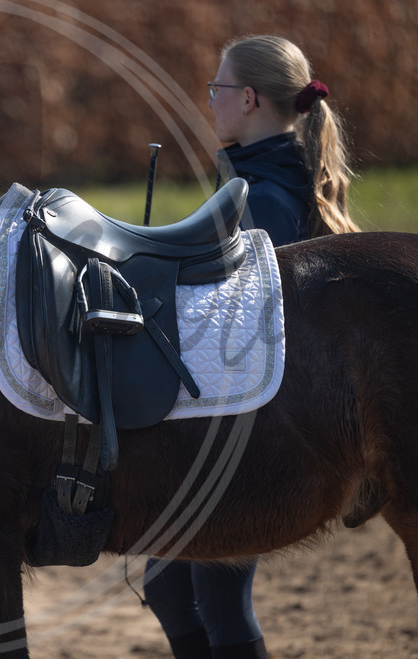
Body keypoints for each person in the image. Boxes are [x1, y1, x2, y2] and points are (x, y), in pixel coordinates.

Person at [143, 34, 360, 659]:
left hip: (253, 423)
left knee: (215, 598)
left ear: (248, 97)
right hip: (238, 410)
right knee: (166, 582)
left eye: (217, 89)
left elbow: (238, 323)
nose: (209, 101)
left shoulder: (264, 199)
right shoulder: (258, 181)